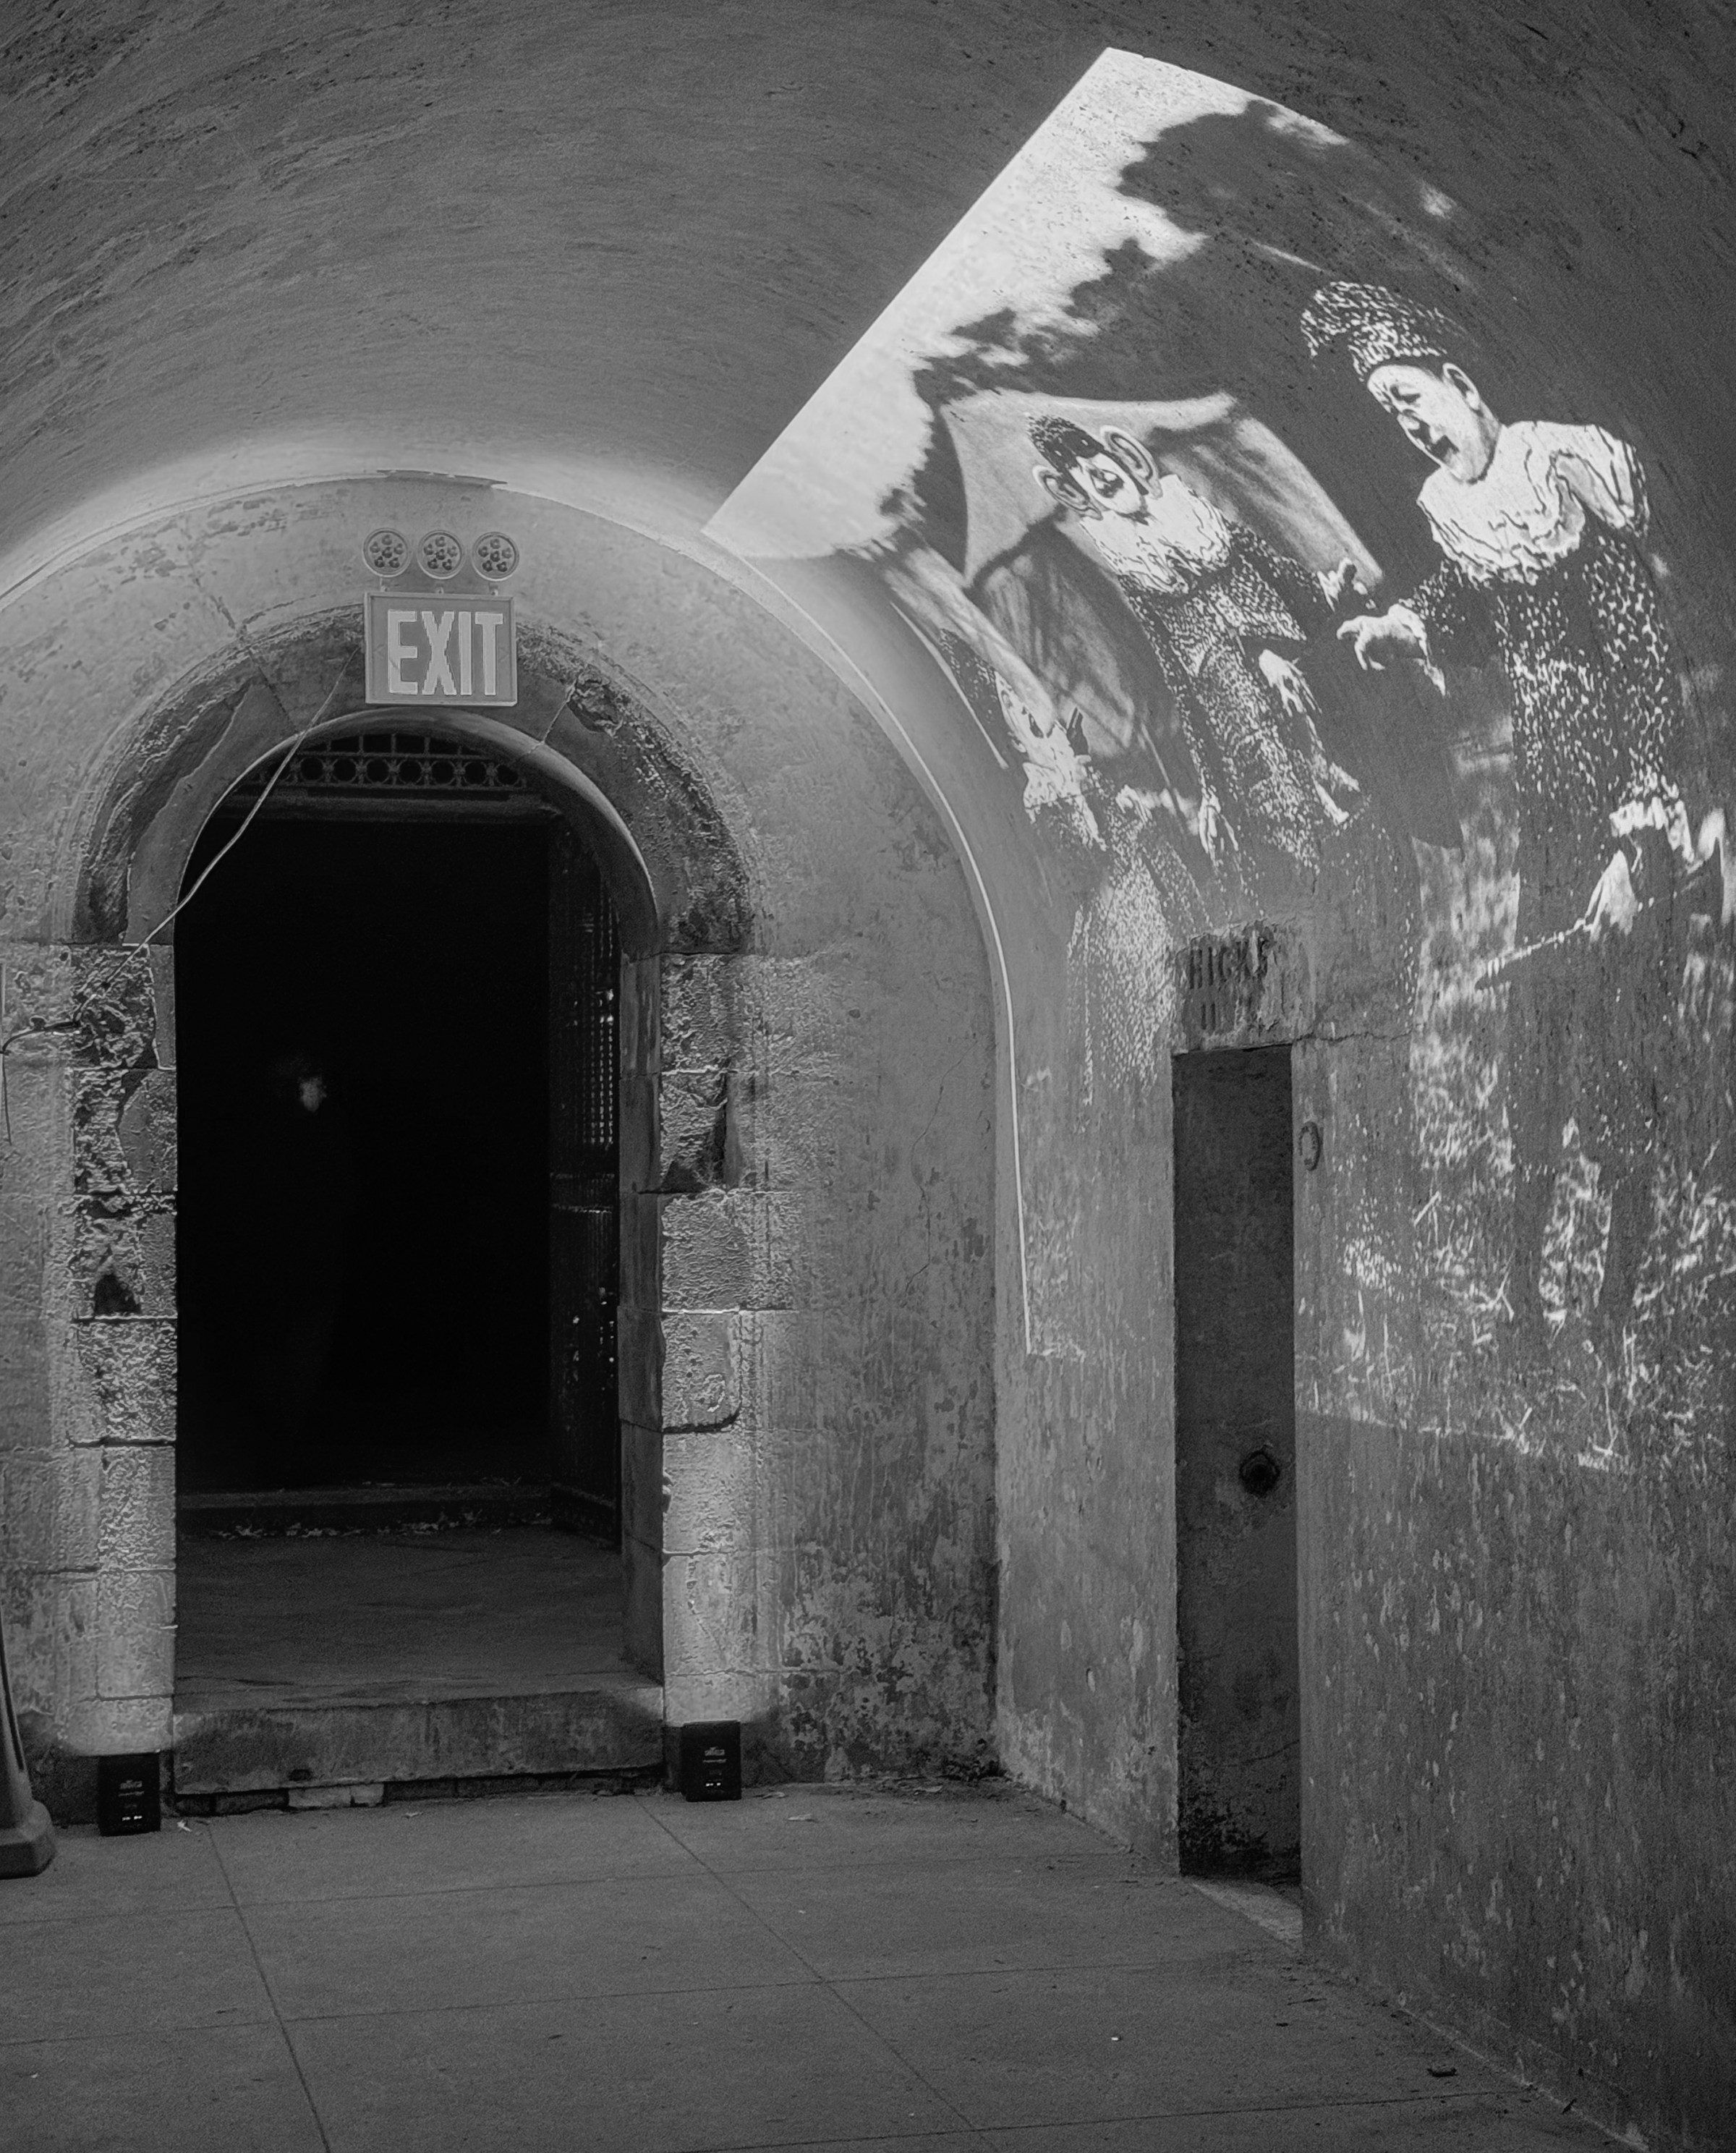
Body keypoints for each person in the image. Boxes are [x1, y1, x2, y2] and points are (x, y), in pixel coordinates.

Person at [1302, 279, 1697, 1361]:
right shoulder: (1457, 510)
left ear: (1461, 384)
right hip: (1549, 821)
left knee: (1620, 1066)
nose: (1412, 421)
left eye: (1414, 395)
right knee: (1536, 1057)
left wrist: (1636, 841)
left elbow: (1644, 661)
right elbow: (1472, 607)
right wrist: (1402, 618)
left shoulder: (1562, 474)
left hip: (1622, 818)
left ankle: (1615, 1323)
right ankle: (1525, 1317)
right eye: (1390, 411)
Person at [1029, 415, 1363, 901]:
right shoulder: (1134, 567)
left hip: (1289, 668)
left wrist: (1325, 589)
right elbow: (1179, 677)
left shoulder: (1194, 515)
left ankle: (1330, 791)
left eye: (1090, 455)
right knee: (1299, 834)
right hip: (1235, 716)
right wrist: (1210, 785)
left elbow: (1274, 570)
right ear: (1079, 494)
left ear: (1125, 458)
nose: (1092, 469)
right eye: (1077, 470)